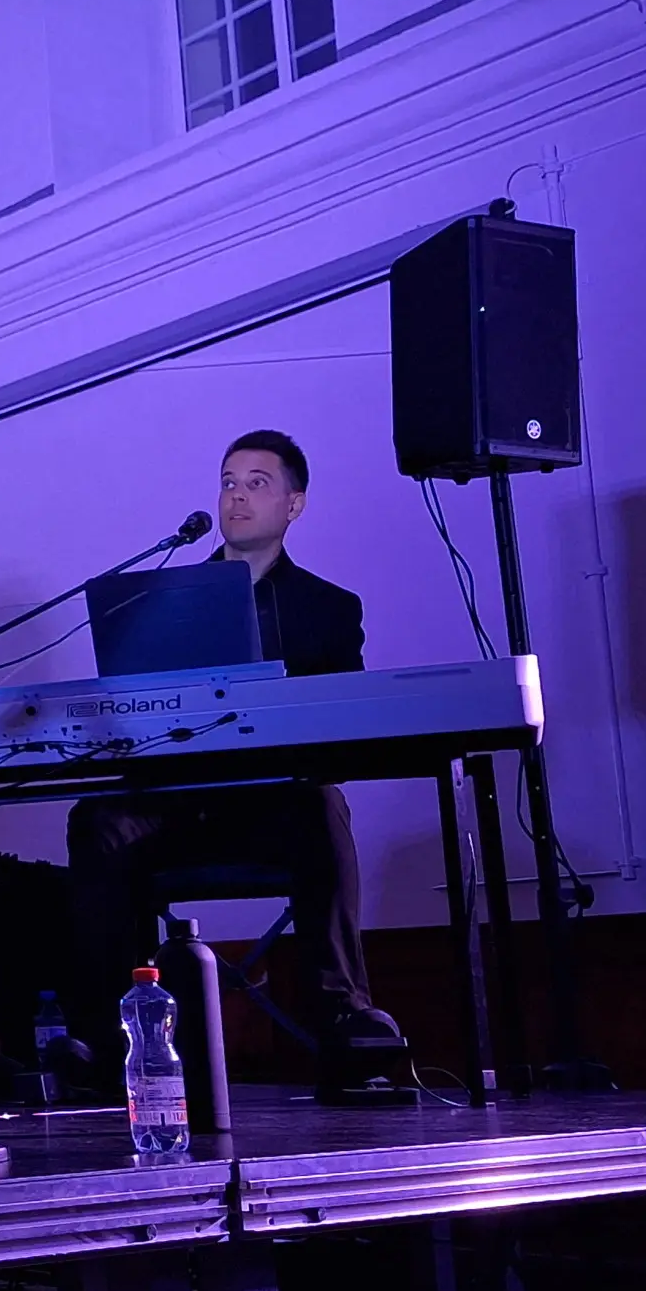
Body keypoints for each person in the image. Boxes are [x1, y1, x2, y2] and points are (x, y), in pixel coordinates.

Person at [58, 430, 402, 1083]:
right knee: (96, 819)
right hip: (172, 805)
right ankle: (106, 1037)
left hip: (267, 806)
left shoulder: (328, 609)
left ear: (294, 504)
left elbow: (345, 732)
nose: (237, 497)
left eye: (257, 483)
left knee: (322, 805)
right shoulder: (157, 602)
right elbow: (130, 710)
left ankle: (343, 1016)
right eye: (227, 481)